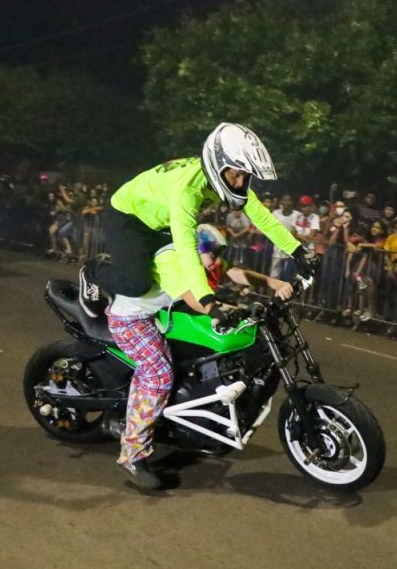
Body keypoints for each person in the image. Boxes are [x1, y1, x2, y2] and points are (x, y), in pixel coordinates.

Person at [80, 123, 312, 490]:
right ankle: (132, 453)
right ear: (218, 165)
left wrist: (298, 251)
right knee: (156, 370)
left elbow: (258, 217)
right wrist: (209, 303)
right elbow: (188, 261)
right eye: (235, 174)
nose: (240, 182)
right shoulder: (185, 201)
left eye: (244, 176)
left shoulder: (210, 207)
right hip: (129, 232)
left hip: (158, 245)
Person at [269, 194, 301, 280]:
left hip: (291, 247)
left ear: (292, 202)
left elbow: (297, 230)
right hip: (278, 245)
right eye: (284, 200)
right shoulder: (276, 213)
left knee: (288, 273)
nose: (286, 202)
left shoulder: (297, 214)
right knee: (274, 271)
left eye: (288, 200)